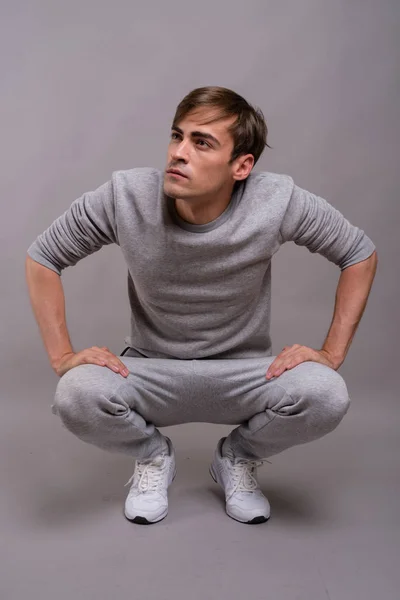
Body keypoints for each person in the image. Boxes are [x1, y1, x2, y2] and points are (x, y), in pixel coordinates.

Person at [26, 86, 377, 526]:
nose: (178, 153)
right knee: (75, 393)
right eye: (177, 136)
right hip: (151, 372)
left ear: (242, 165)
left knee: (327, 394)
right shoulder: (127, 195)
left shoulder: (277, 200)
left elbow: (358, 254)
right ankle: (153, 459)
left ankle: (237, 458)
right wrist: (62, 357)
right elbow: (44, 257)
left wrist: (330, 354)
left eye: (202, 142)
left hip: (244, 375)